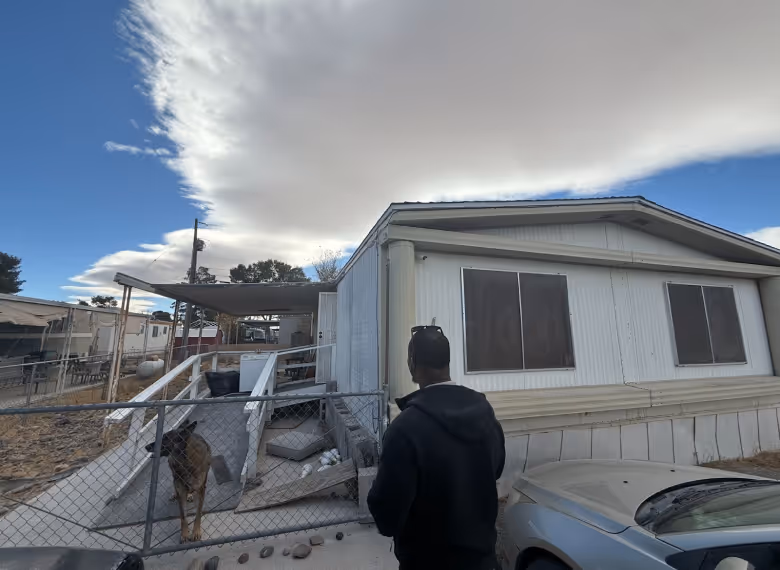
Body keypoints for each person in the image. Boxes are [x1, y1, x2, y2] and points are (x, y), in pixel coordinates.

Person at [368, 325, 506, 570]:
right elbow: (495, 470)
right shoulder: (485, 414)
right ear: (448, 362)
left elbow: (387, 518)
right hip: (483, 562)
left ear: (412, 364)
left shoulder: (405, 429)